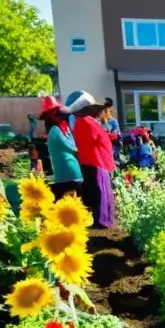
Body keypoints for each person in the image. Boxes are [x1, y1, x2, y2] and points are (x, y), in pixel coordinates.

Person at [64, 90, 116, 228]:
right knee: (98, 191)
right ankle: (101, 220)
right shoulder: (87, 122)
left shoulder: (83, 122)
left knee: (95, 192)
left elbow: (89, 140)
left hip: (90, 161)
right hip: (94, 161)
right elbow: (97, 139)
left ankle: (100, 220)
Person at [42, 96, 83, 200]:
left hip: (73, 172)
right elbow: (71, 148)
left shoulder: (65, 129)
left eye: (58, 112)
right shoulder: (55, 131)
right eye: (54, 113)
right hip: (64, 173)